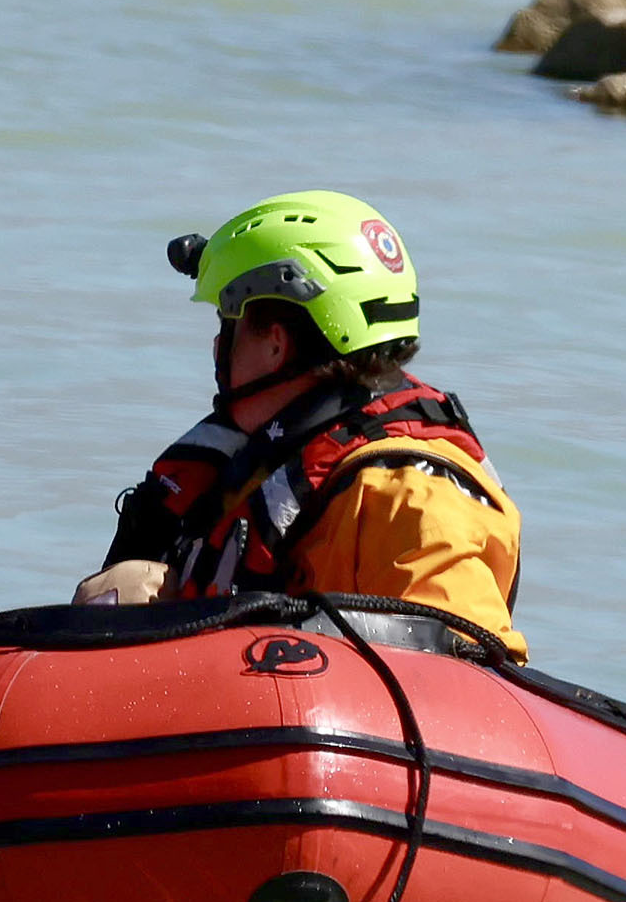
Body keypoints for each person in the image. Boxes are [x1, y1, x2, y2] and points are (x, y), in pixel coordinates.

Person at [76, 191, 524, 657]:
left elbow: (462, 678)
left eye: (227, 323)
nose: (215, 346)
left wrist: (245, 630)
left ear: (275, 344)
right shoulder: (255, 461)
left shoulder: (413, 496)